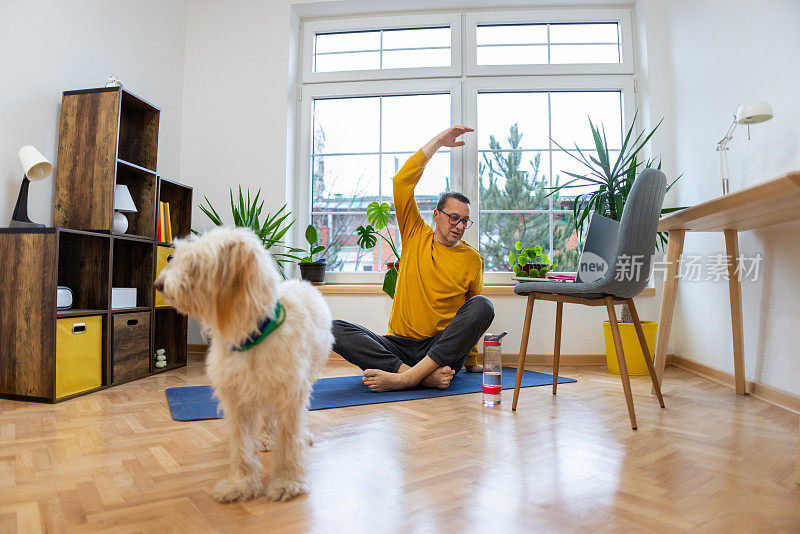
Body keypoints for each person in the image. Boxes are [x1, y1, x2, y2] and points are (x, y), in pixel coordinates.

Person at [332, 125, 494, 392]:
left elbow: (471, 315)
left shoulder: (472, 259)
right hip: (399, 346)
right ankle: (414, 375)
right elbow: (401, 183)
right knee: (333, 327)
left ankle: (405, 378)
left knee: (483, 305)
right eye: (453, 217)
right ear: (436, 216)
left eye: (465, 221)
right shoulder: (415, 234)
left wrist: (472, 362)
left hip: (441, 351)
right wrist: (438, 142)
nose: (459, 226)